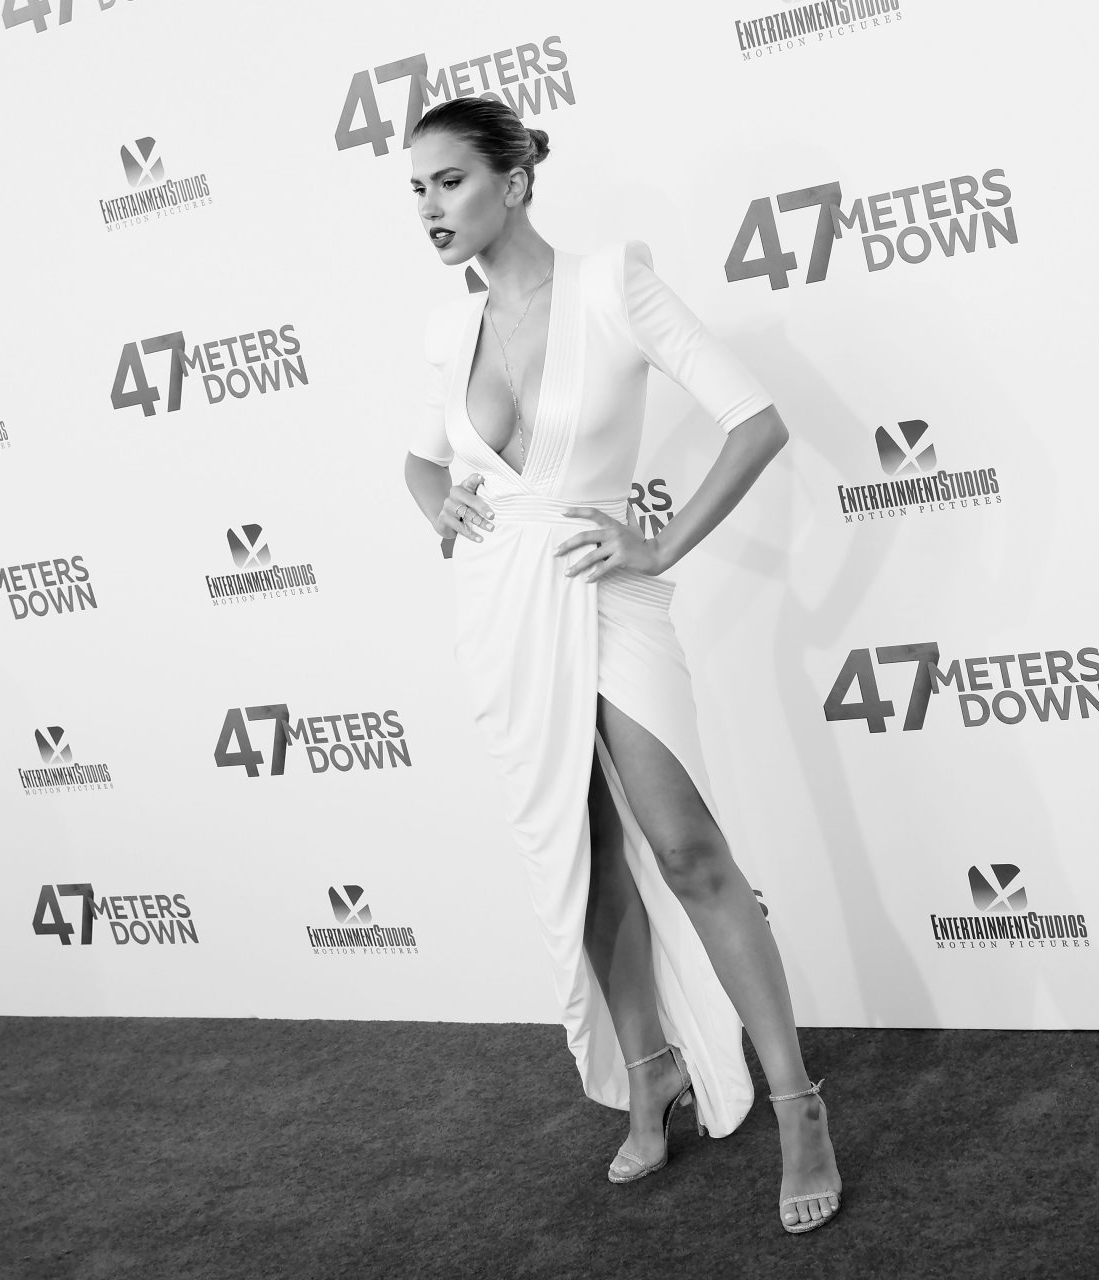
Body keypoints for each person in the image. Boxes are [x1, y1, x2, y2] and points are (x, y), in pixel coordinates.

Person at [400, 97, 842, 1234]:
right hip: (502, 610)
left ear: (513, 182)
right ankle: (650, 1075)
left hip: (604, 596)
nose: (430, 207)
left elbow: (755, 421)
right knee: (582, 860)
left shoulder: (613, 285)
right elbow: (420, 464)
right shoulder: (449, 330)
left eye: (449, 181)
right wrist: (439, 501)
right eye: (417, 189)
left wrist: (662, 542)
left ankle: (797, 1105)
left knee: (688, 850)